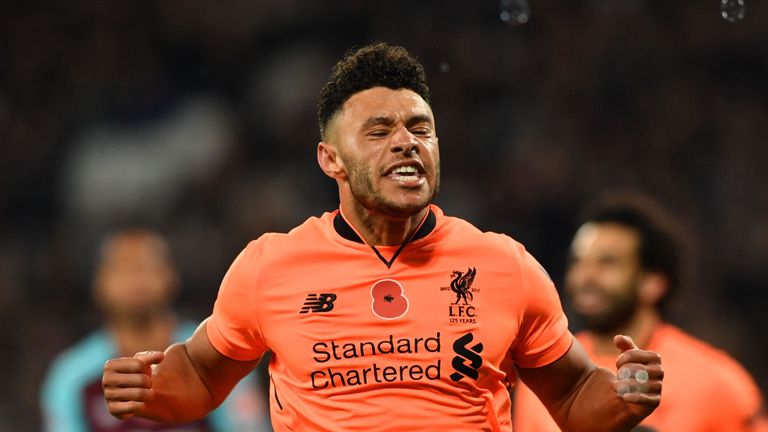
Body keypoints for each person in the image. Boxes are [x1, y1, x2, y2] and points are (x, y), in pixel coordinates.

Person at [101, 43, 663, 431]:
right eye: (379, 131)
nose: (406, 143)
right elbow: (201, 374)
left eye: (420, 129)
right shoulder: (270, 266)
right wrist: (149, 390)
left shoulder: (503, 264)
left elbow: (570, 396)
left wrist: (622, 396)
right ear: (330, 159)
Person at [513, 193, 768, 431]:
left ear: (652, 283)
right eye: (578, 262)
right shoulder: (542, 376)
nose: (585, 277)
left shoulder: (716, 383)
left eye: (607, 263)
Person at [42, 228, 270, 431]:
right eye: (123, 268)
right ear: (100, 284)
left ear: (171, 277)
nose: (135, 277)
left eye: (146, 266)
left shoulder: (218, 351)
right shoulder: (71, 377)